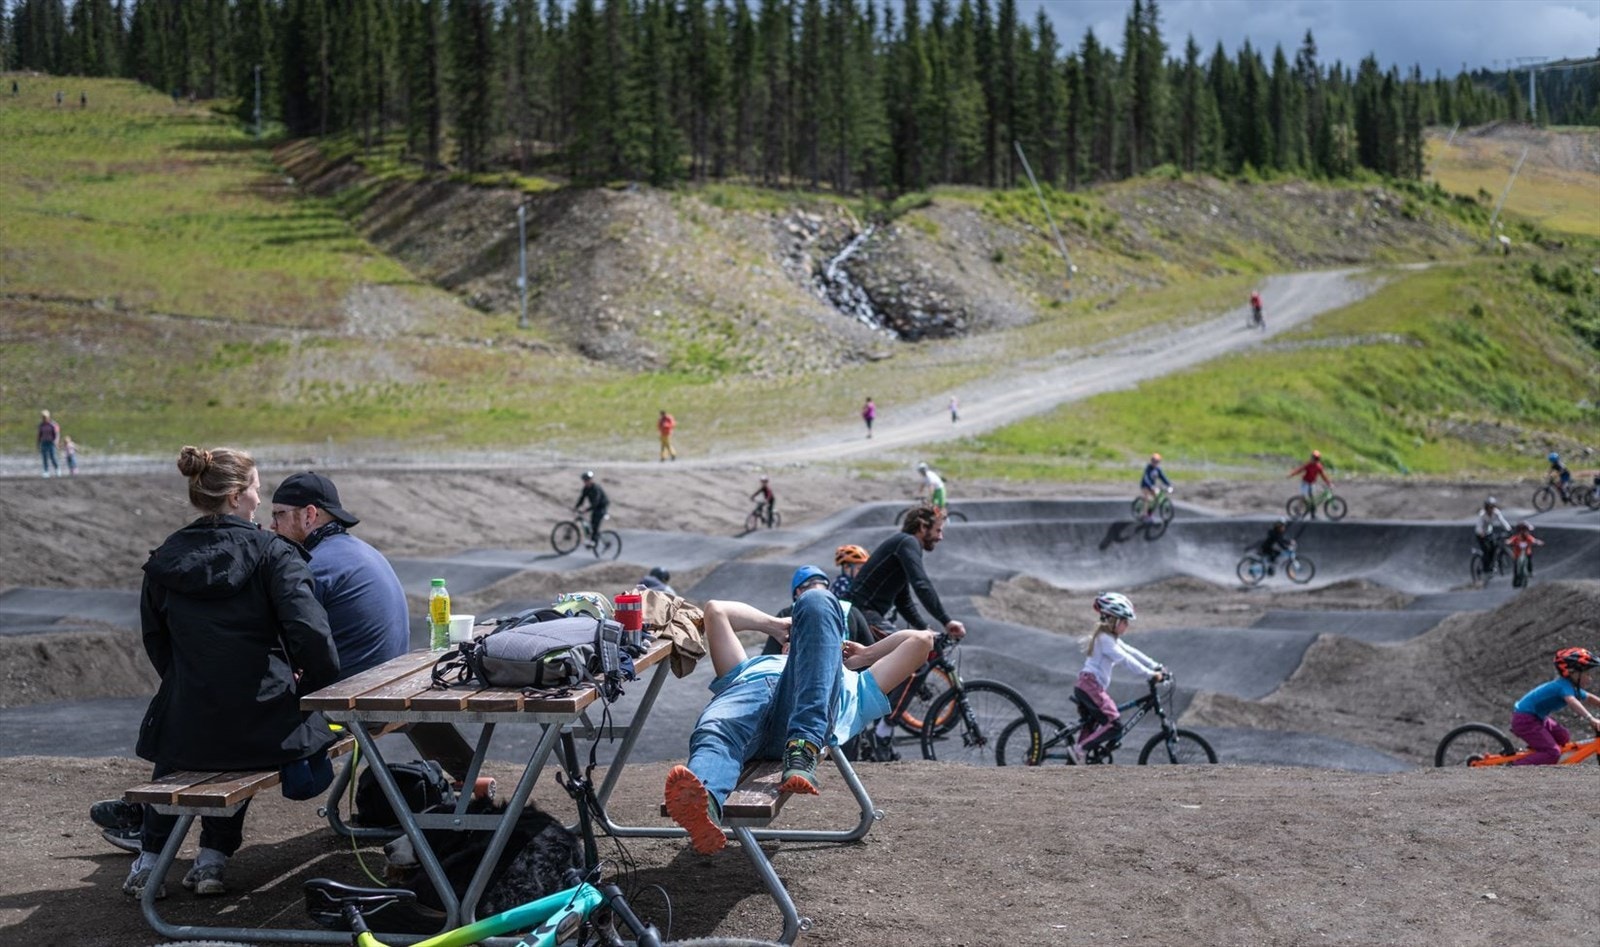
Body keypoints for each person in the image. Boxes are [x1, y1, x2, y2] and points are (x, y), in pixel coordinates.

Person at [94, 470, 473, 853]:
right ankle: (166, 827)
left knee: (233, 709)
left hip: (349, 702)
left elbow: (298, 639)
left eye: (279, 515)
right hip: (380, 686)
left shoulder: (315, 564)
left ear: (310, 515)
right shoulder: (357, 550)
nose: (270, 524)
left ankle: (148, 824)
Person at [120, 446, 340, 899]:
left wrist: (190, 680)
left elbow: (155, 639)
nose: (261, 499)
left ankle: (149, 859)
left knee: (188, 737)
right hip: (264, 725)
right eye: (257, 489)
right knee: (250, 730)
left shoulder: (165, 559)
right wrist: (309, 691)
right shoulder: (275, 554)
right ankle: (212, 859)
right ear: (238, 496)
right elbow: (312, 637)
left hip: (189, 722)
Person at [661, 584, 936, 855]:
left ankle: (803, 747)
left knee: (817, 599)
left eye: (813, 641)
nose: (802, 643)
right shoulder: (749, 666)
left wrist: (867, 654)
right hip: (745, 706)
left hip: (804, 714)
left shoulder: (855, 684)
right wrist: (775, 626)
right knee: (716, 729)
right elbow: (716, 610)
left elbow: (923, 641)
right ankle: (704, 806)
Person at [1072, 593, 1164, 763]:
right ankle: (1081, 749)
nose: (1127, 625)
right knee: (1114, 723)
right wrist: (1149, 675)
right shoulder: (1105, 639)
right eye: (1125, 621)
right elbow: (1125, 660)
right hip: (1090, 686)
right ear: (1113, 620)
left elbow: (1131, 651)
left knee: (1091, 726)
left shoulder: (1109, 638)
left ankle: (1075, 760)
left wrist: (1155, 665)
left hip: (1087, 686)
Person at [1508, 648, 1600, 765]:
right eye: (1587, 674)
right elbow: (1572, 701)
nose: (1590, 678)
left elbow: (1590, 698)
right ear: (1572, 672)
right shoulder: (1563, 686)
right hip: (1525, 720)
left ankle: (1539, 752)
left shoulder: (1569, 686)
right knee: (1552, 753)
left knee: (1563, 737)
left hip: (1537, 718)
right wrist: (1590, 718)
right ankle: (1513, 767)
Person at [1287, 450, 1332, 515]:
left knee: (1312, 498)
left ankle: (1312, 514)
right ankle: (1297, 509)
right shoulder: (1308, 465)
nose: (1313, 459)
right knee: (1303, 497)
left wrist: (1329, 483)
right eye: (1313, 457)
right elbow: (1300, 470)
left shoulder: (1319, 466)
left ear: (1318, 459)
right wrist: (1291, 474)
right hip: (1305, 482)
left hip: (1312, 483)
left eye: (1316, 458)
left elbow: (1323, 476)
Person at [1474, 497, 1511, 565]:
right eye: (1489, 507)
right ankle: (1486, 567)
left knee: (1494, 547)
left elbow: (1502, 521)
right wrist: (1481, 533)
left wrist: (1508, 529)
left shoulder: (1496, 512)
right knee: (1486, 550)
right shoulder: (1482, 514)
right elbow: (1479, 525)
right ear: (1486, 507)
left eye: (1492, 507)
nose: (1491, 509)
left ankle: (1493, 563)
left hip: (1489, 532)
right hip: (1481, 534)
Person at [575, 471, 608, 546]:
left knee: (595, 523)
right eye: (585, 480)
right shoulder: (586, 489)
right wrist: (576, 507)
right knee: (591, 523)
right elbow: (581, 499)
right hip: (595, 507)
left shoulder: (596, 488)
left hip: (601, 507)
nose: (586, 482)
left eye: (588, 480)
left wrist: (586, 510)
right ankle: (592, 538)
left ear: (591, 480)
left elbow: (596, 502)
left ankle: (594, 542)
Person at [1507, 521, 1543, 588]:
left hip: (1527, 553)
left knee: (1529, 561)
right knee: (1516, 567)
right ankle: (1516, 580)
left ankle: (1530, 571)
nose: (1527, 533)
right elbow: (1510, 540)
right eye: (1526, 531)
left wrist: (1538, 542)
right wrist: (1508, 542)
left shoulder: (1528, 537)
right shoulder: (1516, 538)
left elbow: (1533, 540)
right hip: (1517, 555)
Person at [1138, 453, 1172, 522]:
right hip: (1145, 485)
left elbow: (1163, 477)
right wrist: (1150, 486)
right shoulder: (1148, 468)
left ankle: (1149, 514)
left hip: (1152, 486)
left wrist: (1169, 484)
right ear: (1151, 461)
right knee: (1147, 499)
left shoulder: (1158, 469)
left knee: (1156, 499)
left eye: (1157, 461)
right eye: (1154, 461)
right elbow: (1146, 477)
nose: (1155, 463)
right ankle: (1144, 515)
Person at [37, 409, 61, 477]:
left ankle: (57, 469)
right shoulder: (41, 425)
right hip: (44, 442)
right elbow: (39, 434)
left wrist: (56, 441)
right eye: (43, 417)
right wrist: (38, 443)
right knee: (44, 457)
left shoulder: (53, 424)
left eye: (45, 417)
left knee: (53, 456)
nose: (44, 418)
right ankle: (46, 471)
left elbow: (57, 434)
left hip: (51, 443)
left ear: (48, 417)